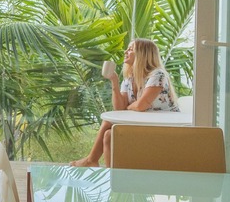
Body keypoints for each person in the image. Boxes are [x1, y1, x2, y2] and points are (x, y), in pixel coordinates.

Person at [71, 37, 179, 168]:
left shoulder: (158, 75)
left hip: (163, 128)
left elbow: (141, 106)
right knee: (109, 135)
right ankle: (112, 178)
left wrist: (129, 107)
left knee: (108, 123)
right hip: (143, 124)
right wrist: (114, 81)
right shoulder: (130, 77)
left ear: (142, 54)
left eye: (130, 49)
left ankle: (91, 160)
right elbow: (119, 108)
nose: (125, 51)